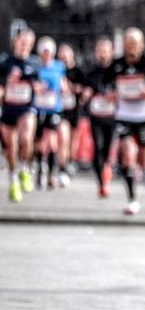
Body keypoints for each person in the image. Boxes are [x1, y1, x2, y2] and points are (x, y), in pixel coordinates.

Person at [104, 28, 145, 215]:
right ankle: (132, 199)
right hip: (124, 116)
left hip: (144, 116)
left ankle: (141, 172)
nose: (131, 49)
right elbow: (104, 83)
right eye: (128, 44)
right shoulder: (117, 64)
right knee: (127, 153)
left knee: (142, 158)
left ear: (141, 45)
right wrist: (109, 94)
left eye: (135, 45)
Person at [1, 28, 39, 202]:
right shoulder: (5, 63)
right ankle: (14, 178)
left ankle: (25, 168)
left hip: (27, 108)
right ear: (15, 42)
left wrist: (39, 87)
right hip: (9, 109)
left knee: (26, 138)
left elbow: (42, 84)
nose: (25, 46)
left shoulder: (35, 63)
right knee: (11, 148)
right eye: (23, 42)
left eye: (29, 44)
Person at [80, 37, 118, 197]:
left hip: (112, 116)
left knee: (108, 148)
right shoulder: (90, 72)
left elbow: (124, 89)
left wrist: (115, 95)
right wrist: (85, 94)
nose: (102, 54)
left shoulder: (117, 70)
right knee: (98, 147)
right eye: (100, 51)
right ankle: (101, 182)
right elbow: (83, 93)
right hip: (96, 116)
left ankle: (106, 169)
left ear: (111, 52)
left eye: (105, 51)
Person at [33, 36, 67, 189]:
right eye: (44, 52)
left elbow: (63, 83)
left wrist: (64, 88)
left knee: (52, 141)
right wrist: (36, 86)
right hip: (38, 108)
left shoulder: (59, 66)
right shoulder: (35, 67)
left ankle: (51, 174)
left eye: (49, 52)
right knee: (39, 143)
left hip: (54, 108)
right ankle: (41, 168)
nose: (46, 54)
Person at [57, 43, 84, 179]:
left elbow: (83, 90)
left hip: (74, 110)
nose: (63, 57)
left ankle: (70, 161)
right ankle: (62, 168)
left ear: (71, 55)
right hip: (60, 110)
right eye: (61, 55)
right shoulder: (56, 70)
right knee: (63, 139)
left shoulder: (78, 71)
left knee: (72, 141)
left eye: (66, 54)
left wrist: (70, 87)